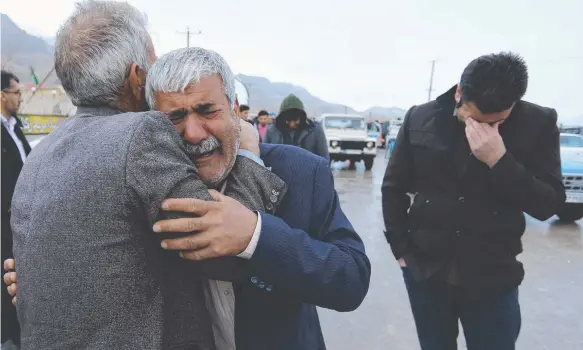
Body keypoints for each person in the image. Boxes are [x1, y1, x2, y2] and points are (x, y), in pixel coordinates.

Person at [6, 7, 371, 350]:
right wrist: (48, 277)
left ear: (234, 108)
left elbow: (350, 279)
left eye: (207, 110)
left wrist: (257, 236)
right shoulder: (142, 178)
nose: (193, 132)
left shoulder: (301, 172)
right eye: (174, 117)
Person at [382, 51, 565, 350]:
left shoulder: (538, 123)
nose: (480, 130)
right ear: (458, 93)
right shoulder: (420, 117)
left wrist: (499, 160)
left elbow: (549, 205)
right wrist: (401, 250)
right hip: (427, 273)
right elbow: (392, 188)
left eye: (496, 123)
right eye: (473, 119)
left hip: (493, 278)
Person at [1, 70, 29, 349]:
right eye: (16, 92)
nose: (20, 98)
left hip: (21, 221)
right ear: (2, 95)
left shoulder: (16, 128)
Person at [263, 94, 329, 159]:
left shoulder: (315, 130)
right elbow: (264, 155)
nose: (292, 124)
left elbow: (324, 158)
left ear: (301, 117)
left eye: (295, 120)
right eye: (288, 120)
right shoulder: (272, 130)